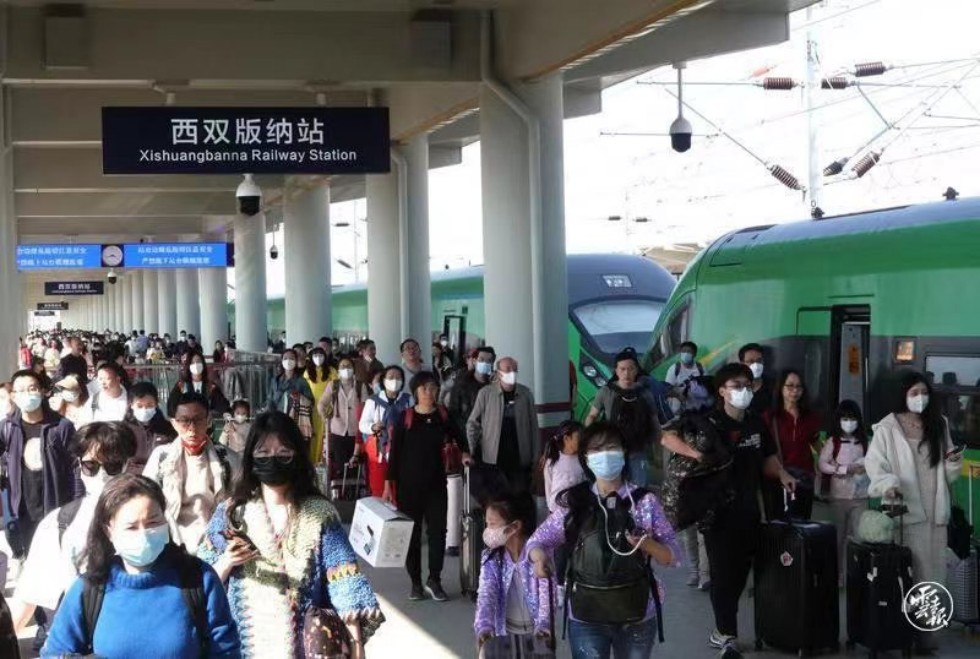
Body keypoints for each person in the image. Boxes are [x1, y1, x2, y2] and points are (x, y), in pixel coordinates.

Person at [198, 411, 384, 658]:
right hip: (243, 645)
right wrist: (227, 561)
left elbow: (344, 581)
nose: (273, 459)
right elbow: (201, 580)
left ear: (297, 456)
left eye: (283, 453)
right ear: (251, 458)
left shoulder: (320, 513)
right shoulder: (231, 513)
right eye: (263, 453)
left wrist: (356, 643)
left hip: (304, 647)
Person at [660, 363, 797, 659]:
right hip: (716, 514)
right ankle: (727, 635)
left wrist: (782, 474)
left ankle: (724, 627)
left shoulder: (756, 424)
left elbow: (768, 459)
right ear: (722, 391)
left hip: (749, 511)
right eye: (736, 386)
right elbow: (667, 437)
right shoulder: (707, 421)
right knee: (723, 575)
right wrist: (697, 454)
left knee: (741, 573)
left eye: (747, 385)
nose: (743, 391)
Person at [41, 474, 241, 657]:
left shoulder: (198, 579)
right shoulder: (89, 589)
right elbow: (54, 653)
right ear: (109, 531)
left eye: (153, 522)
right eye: (131, 527)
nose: (144, 534)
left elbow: (226, 651)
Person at [527, 422, 681, 659]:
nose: (605, 455)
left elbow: (673, 555)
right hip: (585, 616)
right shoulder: (574, 502)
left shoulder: (645, 501)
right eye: (597, 449)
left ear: (624, 452)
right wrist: (539, 559)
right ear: (586, 457)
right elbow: (537, 541)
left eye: (612, 447)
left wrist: (647, 545)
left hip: (637, 615)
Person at [8, 422, 137, 633]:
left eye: (112, 466)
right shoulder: (59, 523)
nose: (102, 475)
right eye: (91, 466)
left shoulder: (154, 519)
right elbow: (28, 598)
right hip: (82, 639)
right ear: (79, 465)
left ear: (128, 465)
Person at [865, 371, 962, 586]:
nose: (921, 397)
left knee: (934, 570)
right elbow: (874, 463)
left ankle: (930, 607)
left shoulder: (939, 424)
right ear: (903, 395)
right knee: (905, 569)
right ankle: (905, 606)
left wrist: (954, 461)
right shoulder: (887, 427)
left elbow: (948, 469)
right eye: (915, 392)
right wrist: (887, 484)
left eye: (925, 392)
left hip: (935, 510)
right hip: (901, 507)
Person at [383, 371, 462, 602]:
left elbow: (460, 439)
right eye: (424, 388)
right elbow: (394, 454)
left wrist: (465, 454)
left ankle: (434, 580)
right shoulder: (405, 418)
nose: (429, 392)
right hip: (409, 487)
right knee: (412, 534)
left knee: (438, 532)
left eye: (433, 388)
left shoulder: (444, 416)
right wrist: (388, 485)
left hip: (437, 485)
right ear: (416, 392)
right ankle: (415, 582)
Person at [144, 392, 241, 554]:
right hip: (171, 545)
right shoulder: (161, 458)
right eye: (184, 421)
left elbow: (240, 502)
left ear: (209, 420)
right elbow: (146, 501)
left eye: (198, 420)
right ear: (174, 423)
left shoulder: (228, 459)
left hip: (217, 545)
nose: (192, 428)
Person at [0, 370, 77, 559]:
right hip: (23, 508)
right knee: (32, 558)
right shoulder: (7, 427)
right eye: (20, 390)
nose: (27, 394)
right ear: (13, 396)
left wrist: (76, 503)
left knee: (57, 558)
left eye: (32, 388)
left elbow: (75, 467)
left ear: (42, 391)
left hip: (56, 506)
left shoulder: (61, 426)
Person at [474, 492, 555, 652]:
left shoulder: (538, 555)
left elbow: (546, 594)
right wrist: (484, 626)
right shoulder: (491, 558)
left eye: (492, 524)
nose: (488, 531)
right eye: (487, 524)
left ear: (515, 527)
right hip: (504, 634)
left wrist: (544, 626)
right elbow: (486, 593)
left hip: (537, 636)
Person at [585, 348, 661, 487]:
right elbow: (592, 415)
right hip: (612, 451)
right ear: (616, 370)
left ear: (636, 370)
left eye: (631, 369)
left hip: (638, 451)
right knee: (613, 490)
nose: (626, 373)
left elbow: (654, 421)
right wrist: (590, 439)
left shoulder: (645, 394)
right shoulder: (606, 392)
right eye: (622, 369)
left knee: (638, 490)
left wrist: (657, 451)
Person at [465, 357, 540, 495]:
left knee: (520, 497)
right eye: (508, 369)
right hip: (493, 459)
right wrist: (472, 448)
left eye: (515, 369)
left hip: (520, 459)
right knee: (497, 498)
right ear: (498, 373)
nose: (512, 373)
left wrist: (536, 456)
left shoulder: (525, 394)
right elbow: (472, 423)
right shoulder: (486, 393)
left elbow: (534, 428)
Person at [817, 400, 870, 586]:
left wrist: (864, 467)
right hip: (838, 497)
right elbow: (822, 464)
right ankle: (838, 575)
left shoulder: (865, 441)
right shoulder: (833, 442)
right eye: (845, 419)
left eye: (852, 418)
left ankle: (856, 575)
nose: (849, 423)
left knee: (859, 537)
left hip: (861, 497)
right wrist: (843, 469)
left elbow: (874, 461)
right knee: (838, 538)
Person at [762, 369, 822, 519]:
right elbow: (765, 450)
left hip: (804, 479)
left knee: (803, 522)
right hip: (779, 479)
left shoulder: (810, 417)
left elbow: (816, 443)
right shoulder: (770, 417)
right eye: (790, 386)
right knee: (780, 523)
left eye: (798, 387)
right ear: (781, 388)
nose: (794, 391)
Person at [357, 366, 413, 497]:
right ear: (384, 380)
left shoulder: (408, 400)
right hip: (379, 451)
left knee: (401, 489)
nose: (394, 380)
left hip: (403, 450)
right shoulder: (373, 401)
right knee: (378, 487)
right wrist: (373, 427)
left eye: (398, 377)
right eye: (391, 377)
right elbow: (362, 425)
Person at [318, 357, 367, 477]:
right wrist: (324, 416)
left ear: (353, 369)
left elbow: (366, 407)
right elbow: (321, 404)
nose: (346, 369)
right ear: (338, 370)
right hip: (337, 432)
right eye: (343, 366)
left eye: (348, 366)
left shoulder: (361, 386)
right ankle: (340, 487)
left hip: (356, 432)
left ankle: (354, 487)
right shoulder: (333, 385)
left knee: (355, 465)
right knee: (340, 466)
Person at [125, 382, 178, 474]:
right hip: (134, 478)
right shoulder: (124, 430)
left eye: (149, 405)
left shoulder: (167, 428)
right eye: (139, 406)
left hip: (162, 476)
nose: (144, 409)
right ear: (131, 405)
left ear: (156, 404)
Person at [267, 349, 314, 445]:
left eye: (291, 358)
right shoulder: (275, 381)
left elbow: (311, 402)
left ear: (296, 361)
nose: (288, 361)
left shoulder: (301, 381)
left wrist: (300, 397)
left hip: (295, 422)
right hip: (278, 421)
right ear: (281, 361)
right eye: (285, 358)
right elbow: (270, 400)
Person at [168, 353, 231, 418]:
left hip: (204, 421)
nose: (196, 365)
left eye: (198, 362)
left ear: (203, 364)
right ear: (189, 365)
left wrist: (226, 413)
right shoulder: (181, 386)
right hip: (187, 421)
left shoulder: (210, 386)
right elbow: (172, 406)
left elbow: (222, 405)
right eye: (193, 362)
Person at [448, 346, 495, 433]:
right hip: (465, 432)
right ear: (474, 361)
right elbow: (453, 412)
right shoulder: (462, 383)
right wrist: (467, 430)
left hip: (489, 433)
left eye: (489, 361)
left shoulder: (494, 385)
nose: (485, 363)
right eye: (481, 360)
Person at [305, 346, 338, 465]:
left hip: (328, 408)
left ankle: (325, 463)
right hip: (313, 410)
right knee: (314, 436)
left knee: (326, 436)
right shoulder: (307, 372)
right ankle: (313, 462)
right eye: (315, 356)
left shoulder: (332, 371)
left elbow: (336, 388)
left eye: (321, 355)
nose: (318, 358)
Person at [664, 341, 711, 412]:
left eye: (689, 351)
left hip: (700, 408)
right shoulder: (674, 369)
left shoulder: (701, 367)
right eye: (683, 351)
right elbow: (667, 389)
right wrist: (678, 395)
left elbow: (708, 386)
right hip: (681, 410)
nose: (685, 354)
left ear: (694, 354)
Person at [738, 343, 770, 416]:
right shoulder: (735, 387)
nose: (756, 365)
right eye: (751, 361)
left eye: (759, 360)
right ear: (742, 364)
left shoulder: (773, 387)